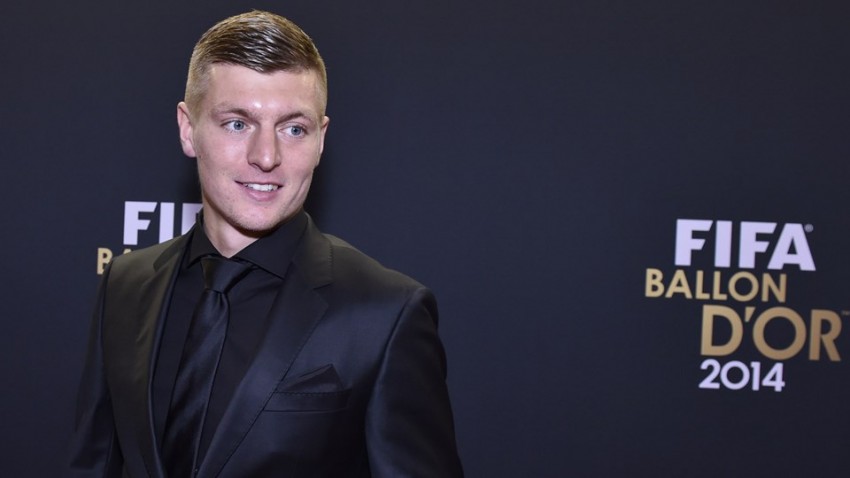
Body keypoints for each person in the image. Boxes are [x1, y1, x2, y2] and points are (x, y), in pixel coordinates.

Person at [68, 10, 463, 477]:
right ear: (188, 129)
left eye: (294, 129)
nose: (267, 157)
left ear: (320, 140)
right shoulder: (125, 284)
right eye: (238, 123)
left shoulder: (385, 313)